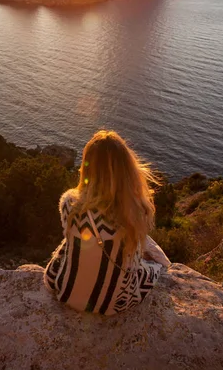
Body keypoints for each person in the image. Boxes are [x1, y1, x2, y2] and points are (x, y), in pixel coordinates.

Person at [43, 129, 171, 315]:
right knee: (154, 266)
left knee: (68, 246)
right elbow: (132, 263)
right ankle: (164, 264)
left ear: (87, 168)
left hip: (67, 294)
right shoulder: (137, 210)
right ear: (127, 169)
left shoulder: (69, 203)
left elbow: (72, 242)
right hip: (116, 305)